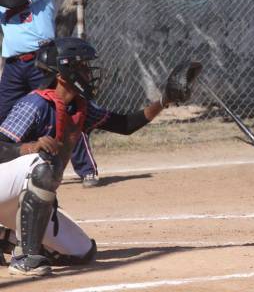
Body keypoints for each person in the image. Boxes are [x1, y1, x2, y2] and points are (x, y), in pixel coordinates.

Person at [0, 37, 201, 276]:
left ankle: (7, 236)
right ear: (64, 74)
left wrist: (164, 101)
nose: (88, 72)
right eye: (82, 67)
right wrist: (30, 147)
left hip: (17, 198)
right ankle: (25, 259)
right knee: (42, 161)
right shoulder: (35, 103)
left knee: (82, 252)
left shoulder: (79, 107)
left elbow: (125, 124)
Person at [0, 0, 101, 188]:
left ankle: (86, 168)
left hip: (41, 62)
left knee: (63, 112)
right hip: (12, 65)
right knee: (2, 118)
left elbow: (15, 2)